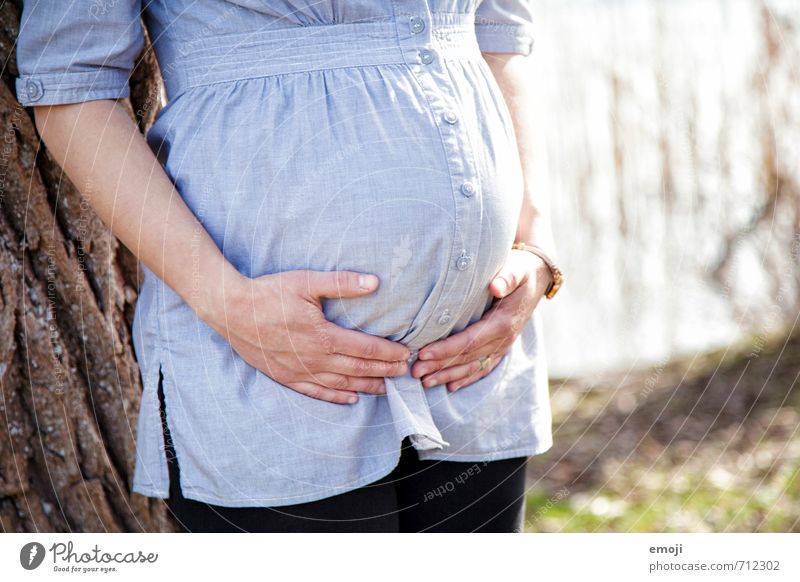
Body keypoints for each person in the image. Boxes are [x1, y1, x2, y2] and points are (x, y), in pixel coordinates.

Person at [15, 0, 561, 532]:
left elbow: (499, 30)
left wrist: (536, 241)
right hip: (268, 368)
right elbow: (72, 85)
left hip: (476, 360)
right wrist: (226, 301)